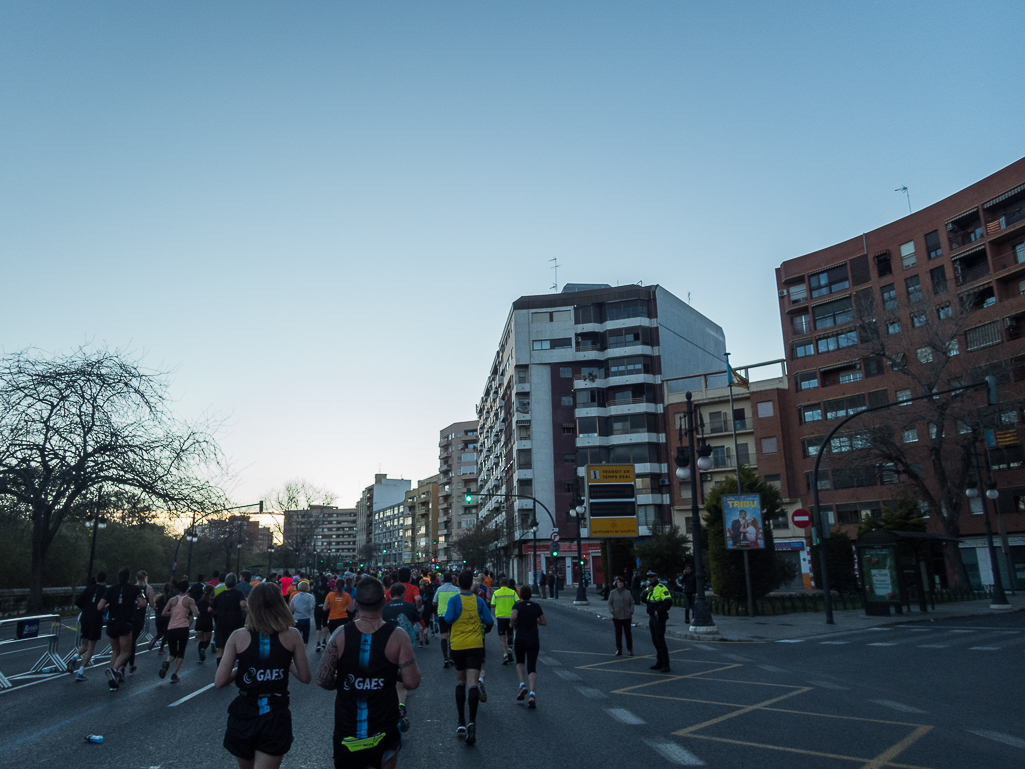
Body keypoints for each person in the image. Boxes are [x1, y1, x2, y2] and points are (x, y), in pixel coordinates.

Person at [317, 577, 420, 769]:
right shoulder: (398, 636)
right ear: (383, 601)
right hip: (383, 727)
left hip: (347, 728)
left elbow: (322, 680)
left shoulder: (340, 634)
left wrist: (345, 682)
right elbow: (412, 682)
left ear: (355, 604)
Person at [216, 581, 312, 769]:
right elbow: (305, 677)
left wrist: (244, 668)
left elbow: (220, 681)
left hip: (244, 714)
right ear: (280, 604)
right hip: (275, 714)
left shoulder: (238, 636)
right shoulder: (292, 635)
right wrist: (286, 663)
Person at [442, 570, 494, 746]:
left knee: (460, 681)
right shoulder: (478, 601)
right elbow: (489, 620)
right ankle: (473, 721)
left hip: (457, 645)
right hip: (475, 645)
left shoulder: (454, 600)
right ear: (471, 583)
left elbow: (448, 618)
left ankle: (461, 722)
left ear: (458, 583)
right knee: (473, 683)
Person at [96, 567, 146, 690]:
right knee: (125, 652)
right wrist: (134, 604)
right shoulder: (134, 589)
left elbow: (100, 606)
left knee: (115, 651)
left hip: (112, 622)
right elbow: (143, 603)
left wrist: (109, 606)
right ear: (129, 578)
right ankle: (114, 670)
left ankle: (113, 678)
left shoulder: (111, 589)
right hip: (125, 622)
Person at [382, 583, 424, 733]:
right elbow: (419, 623)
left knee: (388, 680)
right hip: (406, 647)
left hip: (386, 646)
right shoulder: (408, 606)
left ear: (390, 594)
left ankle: (387, 711)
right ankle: (400, 707)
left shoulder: (384, 608)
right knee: (401, 684)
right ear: (404, 593)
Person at [510, 584, 546, 708]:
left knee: (520, 662)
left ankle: (521, 684)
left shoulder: (517, 606)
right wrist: (533, 620)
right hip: (533, 639)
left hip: (520, 638)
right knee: (532, 666)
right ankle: (532, 694)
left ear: (520, 595)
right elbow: (543, 622)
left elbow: (514, 616)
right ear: (530, 595)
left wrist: (512, 623)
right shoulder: (536, 606)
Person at [68, 572, 107, 681]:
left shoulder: (89, 588)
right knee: (91, 647)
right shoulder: (105, 590)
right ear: (105, 580)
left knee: (85, 645)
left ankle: (74, 657)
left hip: (85, 617)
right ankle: (80, 671)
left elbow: (78, 602)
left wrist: (86, 607)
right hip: (96, 618)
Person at [160, 579, 196, 683]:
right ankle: (174, 674)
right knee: (181, 652)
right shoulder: (189, 600)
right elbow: (196, 613)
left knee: (172, 653)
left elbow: (163, 613)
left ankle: (167, 662)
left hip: (172, 628)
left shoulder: (172, 600)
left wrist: (171, 614)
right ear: (188, 588)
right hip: (183, 627)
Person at [211, 573, 248, 666]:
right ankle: (236, 666)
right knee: (237, 646)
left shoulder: (219, 595)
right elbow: (242, 604)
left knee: (220, 649)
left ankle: (220, 669)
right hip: (235, 623)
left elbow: (210, 609)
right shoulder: (239, 593)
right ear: (235, 583)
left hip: (221, 623)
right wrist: (245, 608)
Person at [641, 570, 672, 673]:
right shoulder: (649, 588)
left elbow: (668, 602)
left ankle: (665, 664)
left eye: (652, 577)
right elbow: (643, 599)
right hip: (652, 617)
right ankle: (659, 662)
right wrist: (647, 591)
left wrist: (659, 610)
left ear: (656, 577)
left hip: (659, 617)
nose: (650, 579)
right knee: (655, 640)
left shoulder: (661, 588)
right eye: (649, 577)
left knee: (660, 640)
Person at [127, 570, 156, 675]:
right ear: (145, 577)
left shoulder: (132, 587)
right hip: (139, 617)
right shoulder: (148, 588)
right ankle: (129, 665)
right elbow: (152, 604)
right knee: (132, 641)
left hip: (130, 615)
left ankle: (124, 664)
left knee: (128, 640)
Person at [432, 572, 460, 668]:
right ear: (452, 580)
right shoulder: (456, 589)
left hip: (442, 615)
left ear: (443, 579)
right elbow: (460, 601)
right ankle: (452, 656)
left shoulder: (439, 589)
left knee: (443, 636)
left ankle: (445, 657)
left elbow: (434, 602)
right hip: (453, 615)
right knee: (453, 636)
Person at [490, 578, 518, 665]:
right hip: (510, 617)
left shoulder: (496, 593)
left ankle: (505, 654)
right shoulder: (513, 592)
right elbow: (518, 602)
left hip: (501, 618)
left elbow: (492, 605)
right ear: (507, 584)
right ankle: (510, 650)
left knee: (502, 637)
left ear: (500, 584)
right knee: (510, 635)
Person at [607, 575, 634, 656]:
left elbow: (632, 603)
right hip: (617, 616)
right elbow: (609, 603)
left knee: (628, 633)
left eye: (621, 582)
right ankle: (619, 649)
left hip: (627, 616)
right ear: (616, 584)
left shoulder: (628, 592)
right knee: (618, 633)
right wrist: (612, 611)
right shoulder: (613, 592)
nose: (620, 584)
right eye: (619, 582)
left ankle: (630, 649)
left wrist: (631, 611)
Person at [289, 580, 315, 646]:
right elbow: (312, 607)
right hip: (306, 617)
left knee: (296, 636)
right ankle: (304, 650)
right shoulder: (310, 597)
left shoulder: (295, 596)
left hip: (297, 617)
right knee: (305, 637)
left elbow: (291, 608)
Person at [195, 584, 215, 661]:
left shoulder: (199, 601)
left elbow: (195, 609)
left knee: (201, 640)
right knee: (208, 639)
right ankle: (203, 649)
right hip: (208, 622)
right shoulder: (211, 602)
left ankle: (201, 656)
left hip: (199, 622)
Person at [312, 576, 330, 652]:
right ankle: (324, 641)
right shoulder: (328, 589)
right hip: (326, 608)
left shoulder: (316, 589)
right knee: (325, 624)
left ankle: (318, 642)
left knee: (318, 625)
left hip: (318, 608)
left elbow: (314, 595)